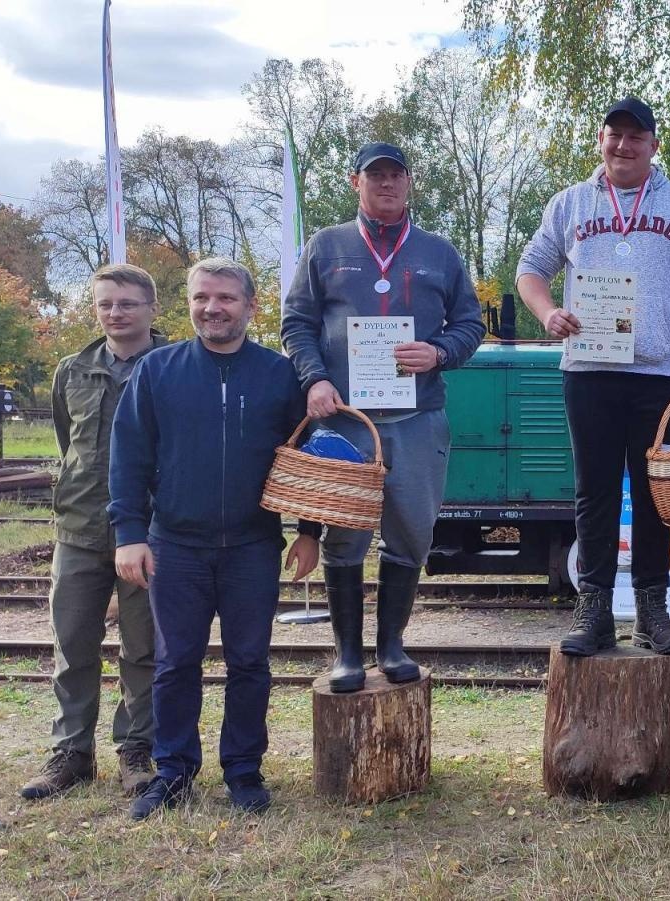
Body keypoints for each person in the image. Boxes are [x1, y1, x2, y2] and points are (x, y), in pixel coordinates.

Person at [516, 96, 670, 656]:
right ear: (599, 139)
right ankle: (594, 611)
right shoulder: (569, 204)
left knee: (659, 495)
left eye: (636, 136)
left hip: (661, 374)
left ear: (654, 145)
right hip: (589, 369)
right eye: (614, 134)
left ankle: (652, 610)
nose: (623, 145)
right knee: (596, 493)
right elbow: (530, 272)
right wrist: (547, 313)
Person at [111, 258, 320, 819]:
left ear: (251, 306)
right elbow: (128, 457)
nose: (213, 308)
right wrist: (129, 534)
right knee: (176, 662)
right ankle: (173, 771)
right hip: (175, 544)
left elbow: (304, 461)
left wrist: (308, 532)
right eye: (202, 297)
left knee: (250, 662)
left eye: (226, 298)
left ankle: (244, 771)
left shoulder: (279, 375)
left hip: (254, 546)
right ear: (190, 303)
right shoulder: (158, 371)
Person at [282, 141, 485, 692]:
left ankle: (391, 645)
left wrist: (439, 352)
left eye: (396, 175)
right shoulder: (326, 247)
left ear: (409, 182)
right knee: (343, 536)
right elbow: (296, 323)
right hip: (346, 419)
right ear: (356, 182)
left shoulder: (439, 252)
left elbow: (471, 324)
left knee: (412, 536)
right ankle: (347, 653)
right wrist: (316, 379)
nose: (387, 184)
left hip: (418, 418)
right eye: (375, 176)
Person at [21, 264, 170, 802]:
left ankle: (137, 750)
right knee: (73, 646)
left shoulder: (174, 364)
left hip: (151, 531)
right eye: (106, 304)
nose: (115, 313)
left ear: (152, 308)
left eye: (127, 303)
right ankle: (71, 754)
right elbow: (70, 443)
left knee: (145, 649)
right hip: (80, 528)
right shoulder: (72, 369)